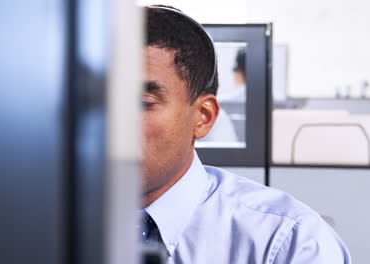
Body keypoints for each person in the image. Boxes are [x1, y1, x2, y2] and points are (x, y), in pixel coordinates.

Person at [141, 5, 351, 263]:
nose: (110, 125)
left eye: (143, 103)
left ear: (203, 116)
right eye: (94, 100)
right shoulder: (78, 223)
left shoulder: (288, 244)